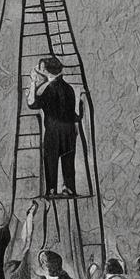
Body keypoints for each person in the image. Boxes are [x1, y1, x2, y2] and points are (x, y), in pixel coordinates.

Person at [26, 56, 80, 198]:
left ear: (46, 71)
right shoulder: (69, 88)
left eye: (41, 68)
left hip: (54, 129)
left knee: (51, 158)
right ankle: (69, 188)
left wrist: (33, 82)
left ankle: (51, 190)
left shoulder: (46, 89)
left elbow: (31, 103)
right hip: (69, 129)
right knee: (68, 159)